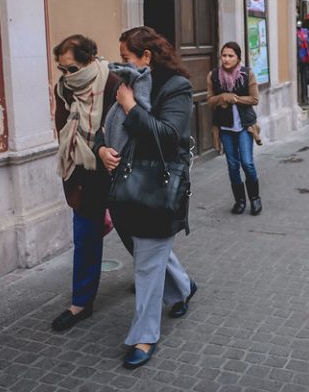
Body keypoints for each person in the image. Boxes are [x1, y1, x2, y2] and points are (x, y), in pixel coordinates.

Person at [95, 26, 196, 370]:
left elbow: (168, 136)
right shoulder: (125, 83)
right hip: (123, 186)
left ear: (146, 56)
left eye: (127, 57)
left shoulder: (176, 87)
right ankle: (183, 287)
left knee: (147, 263)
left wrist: (131, 107)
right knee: (147, 252)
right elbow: (102, 128)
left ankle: (144, 336)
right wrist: (102, 150)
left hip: (156, 188)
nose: (122, 63)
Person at [51, 34, 120, 332]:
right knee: (85, 238)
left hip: (115, 169)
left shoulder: (113, 82)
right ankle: (81, 303)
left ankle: (175, 285)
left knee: (139, 238)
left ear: (89, 60)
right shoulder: (64, 88)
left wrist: (102, 148)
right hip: (83, 171)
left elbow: (122, 125)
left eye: (72, 68)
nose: (67, 75)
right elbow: (61, 126)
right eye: (62, 69)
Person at [206, 41, 263, 215]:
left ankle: (255, 199)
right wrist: (222, 97)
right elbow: (210, 100)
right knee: (232, 165)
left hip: (245, 126)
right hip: (225, 128)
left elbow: (254, 99)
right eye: (224, 55)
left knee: (247, 163)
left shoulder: (247, 74)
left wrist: (235, 98)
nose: (226, 59)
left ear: (238, 58)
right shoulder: (213, 75)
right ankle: (240, 201)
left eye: (230, 56)